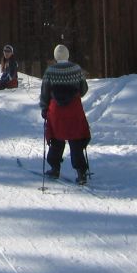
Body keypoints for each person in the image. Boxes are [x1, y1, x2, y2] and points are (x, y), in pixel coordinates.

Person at [39, 44, 91, 183]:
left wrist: (44, 108)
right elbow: (84, 89)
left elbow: (45, 92)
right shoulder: (76, 69)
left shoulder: (50, 71)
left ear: (55, 56)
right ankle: (81, 173)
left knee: (56, 140)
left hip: (56, 111)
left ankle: (55, 169)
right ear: (68, 55)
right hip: (74, 110)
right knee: (76, 141)